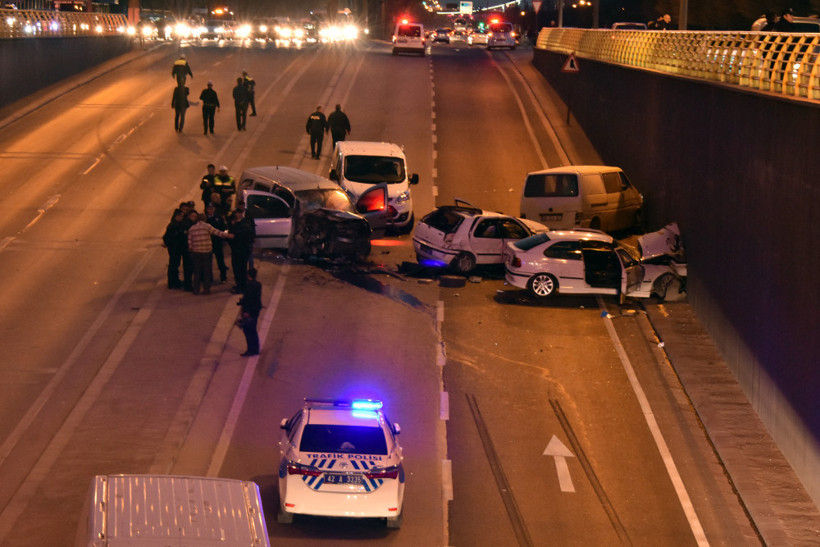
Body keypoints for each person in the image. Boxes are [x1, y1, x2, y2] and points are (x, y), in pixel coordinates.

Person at [187, 210, 232, 295]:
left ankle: (196, 290)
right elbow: (217, 232)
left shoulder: (192, 228)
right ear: (204, 219)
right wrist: (227, 235)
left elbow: (190, 242)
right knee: (207, 271)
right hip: (206, 252)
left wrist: (192, 250)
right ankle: (206, 290)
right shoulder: (207, 226)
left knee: (197, 271)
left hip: (196, 253)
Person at [228, 209, 254, 294]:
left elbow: (233, 237)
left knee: (238, 269)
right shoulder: (244, 224)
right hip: (242, 250)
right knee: (242, 269)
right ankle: (241, 285)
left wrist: (229, 236)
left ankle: (240, 287)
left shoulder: (240, 225)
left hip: (239, 250)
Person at [238, 268, 262, 356]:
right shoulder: (258, 285)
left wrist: (246, 311)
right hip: (255, 310)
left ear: (248, 275)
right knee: (253, 330)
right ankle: (256, 348)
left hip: (249, 311)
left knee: (248, 331)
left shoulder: (249, 286)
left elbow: (248, 300)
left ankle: (250, 349)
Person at [162, 208, 187, 289]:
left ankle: (175, 281)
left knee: (175, 265)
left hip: (178, 248)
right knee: (173, 265)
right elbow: (167, 237)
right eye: (180, 216)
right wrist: (171, 245)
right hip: (174, 249)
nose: (182, 217)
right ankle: (172, 282)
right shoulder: (173, 226)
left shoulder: (179, 224)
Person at [206, 202, 230, 284]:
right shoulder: (204, 218)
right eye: (209, 208)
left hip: (217, 242)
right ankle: (209, 278)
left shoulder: (218, 218)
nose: (210, 210)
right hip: (208, 243)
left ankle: (223, 277)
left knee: (220, 261)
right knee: (208, 262)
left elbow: (224, 228)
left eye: (212, 208)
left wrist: (224, 238)